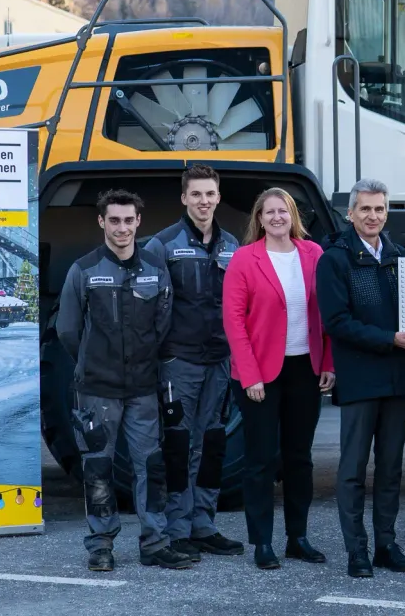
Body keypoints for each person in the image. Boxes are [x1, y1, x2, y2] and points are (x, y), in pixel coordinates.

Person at [317, 178, 405, 578]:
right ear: (350, 213)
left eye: (379, 209)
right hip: (360, 379)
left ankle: (386, 546)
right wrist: (389, 339)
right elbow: (337, 322)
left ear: (386, 212)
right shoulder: (334, 259)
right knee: (353, 469)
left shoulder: (402, 259)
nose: (373, 216)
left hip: (397, 377)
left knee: (391, 468)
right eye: (365, 209)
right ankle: (356, 551)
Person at [57, 189, 189, 572]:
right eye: (114, 220)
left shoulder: (155, 268)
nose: (121, 228)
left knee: (152, 466)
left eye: (128, 220)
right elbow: (68, 331)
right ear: (101, 222)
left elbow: (163, 325)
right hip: (97, 389)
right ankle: (101, 545)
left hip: (144, 389)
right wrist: (94, 363)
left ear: (138, 222)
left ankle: (155, 542)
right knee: (97, 468)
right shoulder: (83, 270)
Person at [223, 187, 335, 570]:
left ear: (292, 216)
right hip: (260, 375)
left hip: (305, 367)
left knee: (299, 458)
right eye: (268, 212)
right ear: (258, 218)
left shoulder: (314, 254)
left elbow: (328, 315)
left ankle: (297, 539)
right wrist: (250, 375)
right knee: (259, 460)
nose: (276, 217)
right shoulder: (244, 259)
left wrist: (328, 363)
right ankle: (262, 543)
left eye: (282, 211)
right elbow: (234, 322)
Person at [143, 164, 243, 562]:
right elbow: (147, 307)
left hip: (219, 361)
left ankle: (204, 525)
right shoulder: (162, 245)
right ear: (184, 198)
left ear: (219, 197)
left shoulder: (233, 245)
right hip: (179, 361)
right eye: (196, 194)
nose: (204, 201)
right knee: (180, 445)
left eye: (210, 194)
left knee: (213, 443)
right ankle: (177, 528)